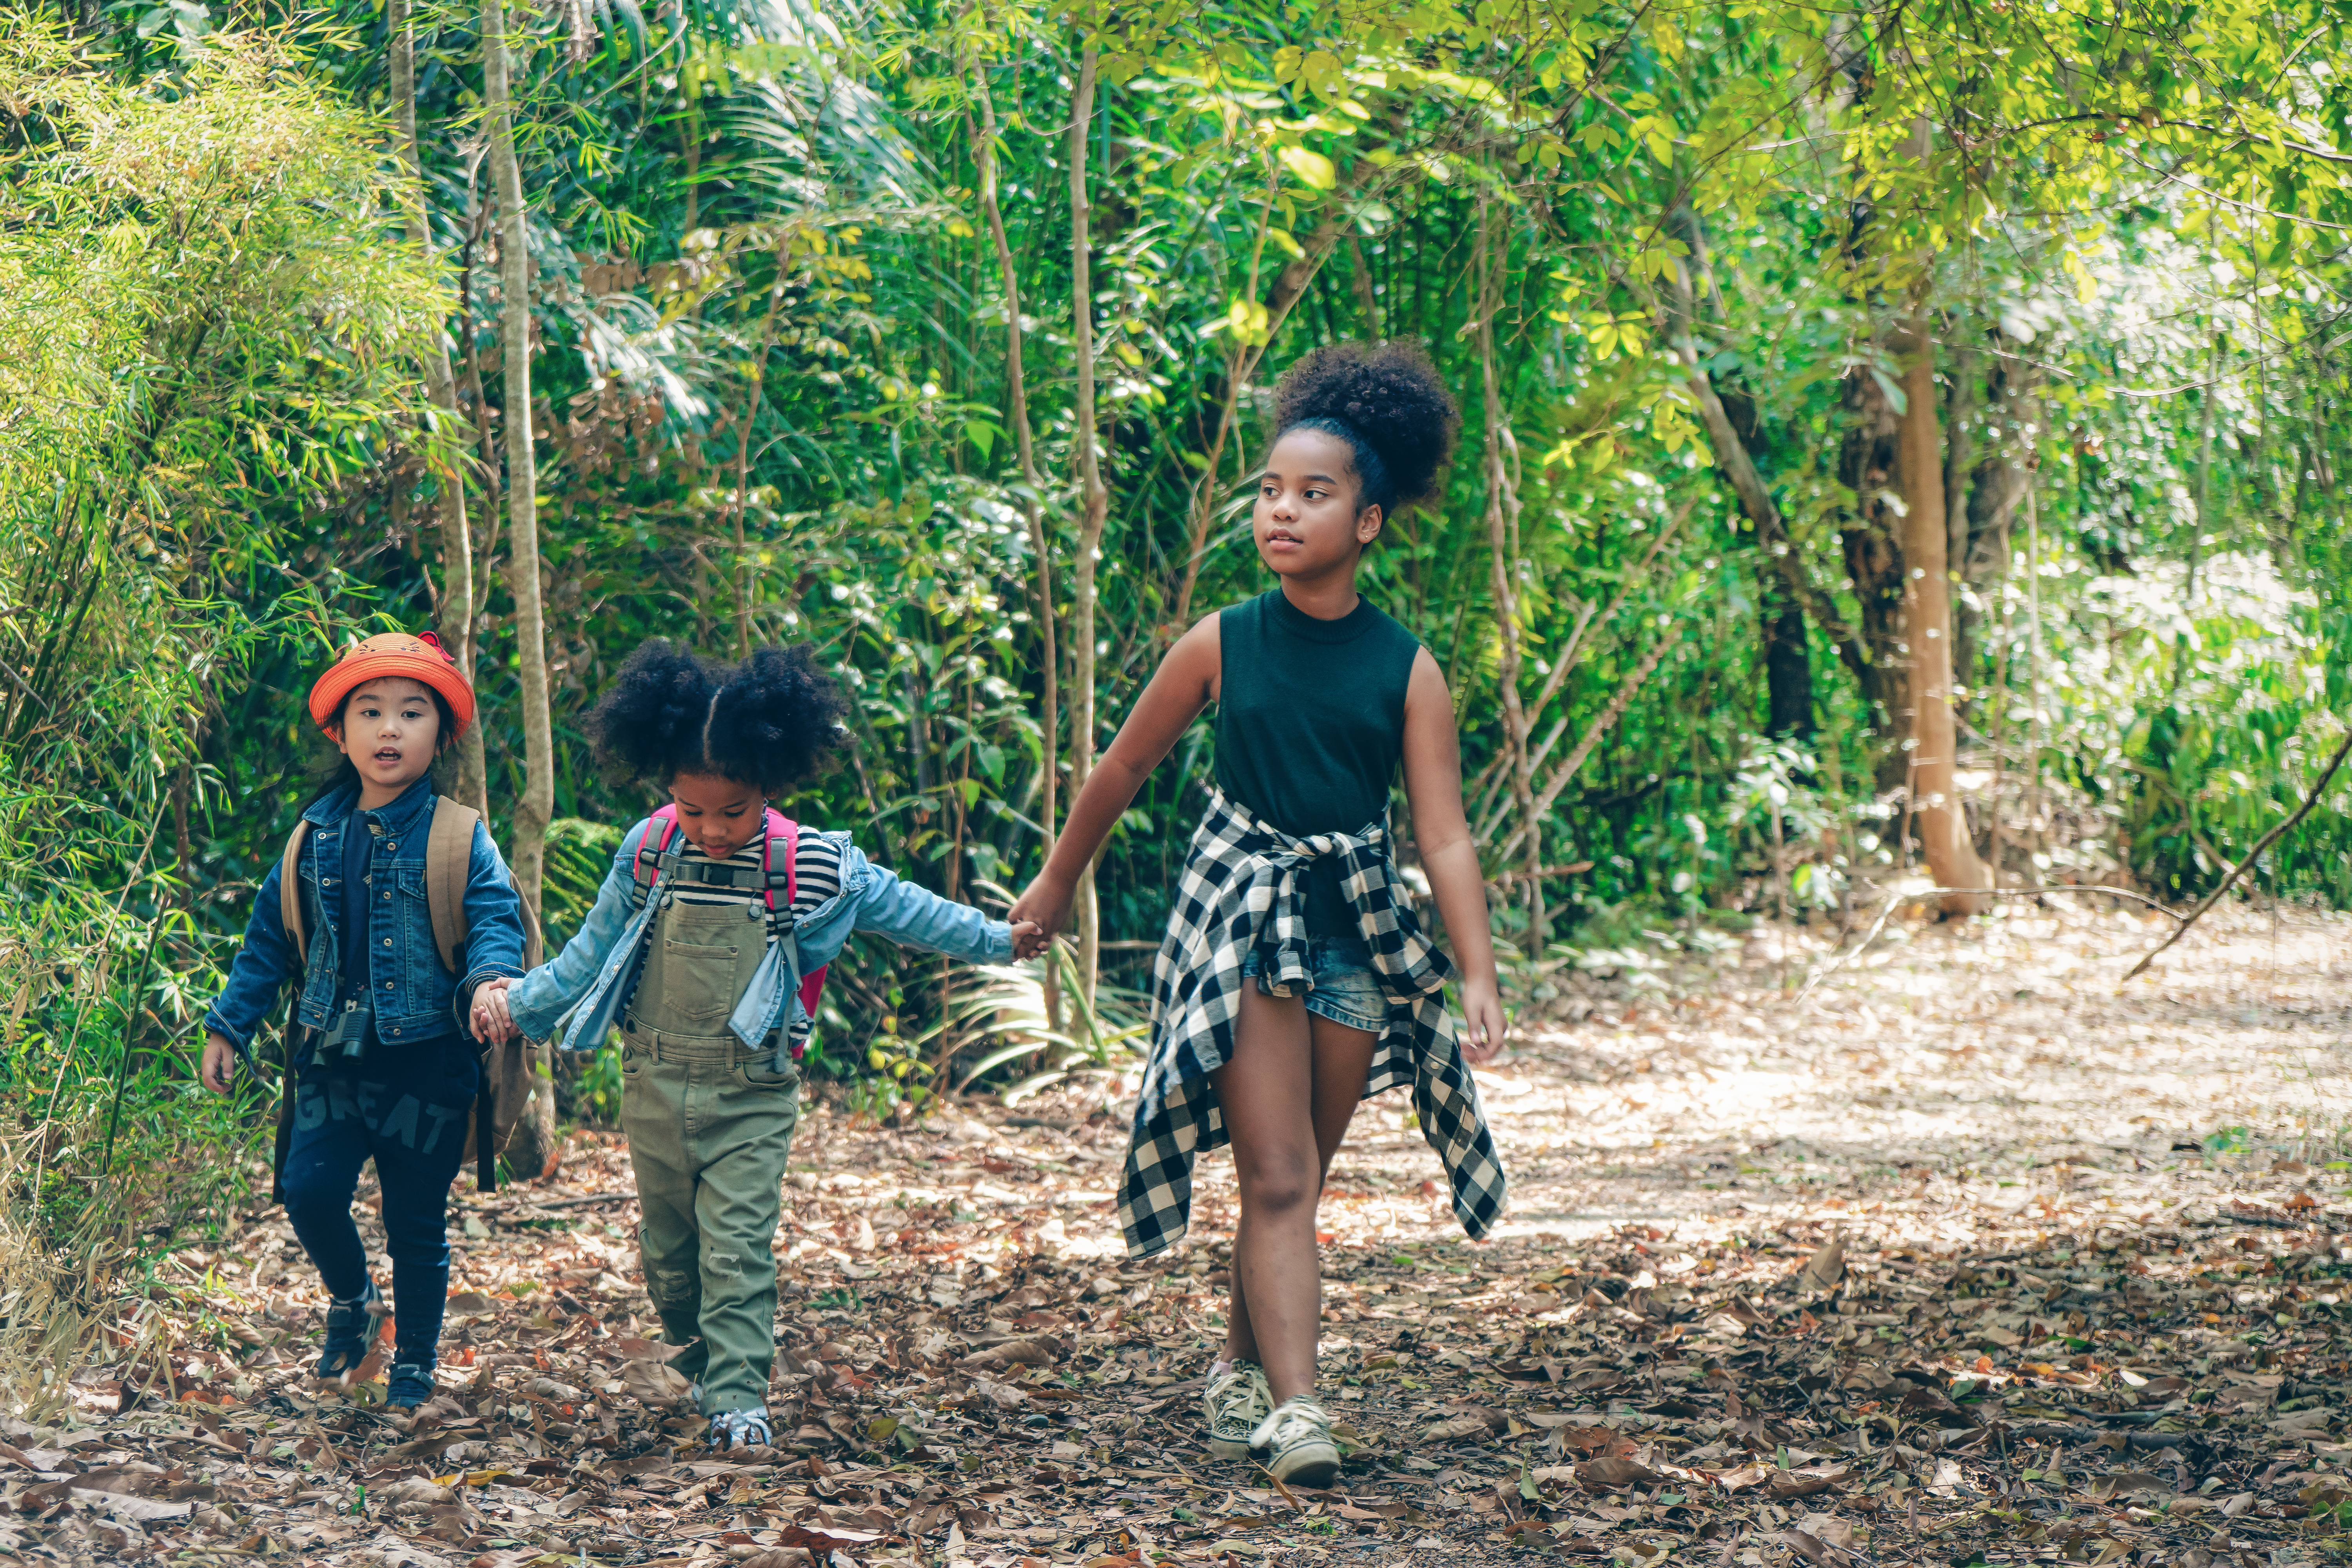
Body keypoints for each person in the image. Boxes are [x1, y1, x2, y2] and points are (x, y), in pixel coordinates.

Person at [1009, 343, 1510, 1485]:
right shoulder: (1222, 641)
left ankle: (1240, 1364)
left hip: (1356, 941)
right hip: (1239, 929)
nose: (1282, 512)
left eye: (1314, 494)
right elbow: (1122, 769)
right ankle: (1300, 1412)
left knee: (1299, 1181)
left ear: (1369, 522)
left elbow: (1442, 836)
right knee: (1276, 1179)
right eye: (1272, 491)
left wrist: (1475, 971)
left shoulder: (1405, 668)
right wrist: (1055, 883)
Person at [471, 641, 1048, 1449]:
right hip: (654, 1081)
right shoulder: (647, 849)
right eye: (690, 807)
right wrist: (516, 1005)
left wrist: (997, 938)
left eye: (731, 811)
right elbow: (590, 952)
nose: (709, 828)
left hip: (754, 1090)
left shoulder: (809, 863)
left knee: (737, 1246)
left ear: (769, 787)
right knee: (669, 1260)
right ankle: (707, 1359)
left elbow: (906, 908)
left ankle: (740, 1397)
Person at [201, 631, 529, 1412]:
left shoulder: (458, 833)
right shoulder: (312, 837)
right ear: (338, 733)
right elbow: (268, 942)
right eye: (371, 712)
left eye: (411, 713)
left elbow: (494, 916)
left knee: (416, 1220)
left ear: (439, 733)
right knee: (307, 1189)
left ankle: (414, 1361)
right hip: (329, 1054)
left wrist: (492, 981)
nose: (390, 729)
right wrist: (229, 1024)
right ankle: (353, 1296)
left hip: (427, 1060)